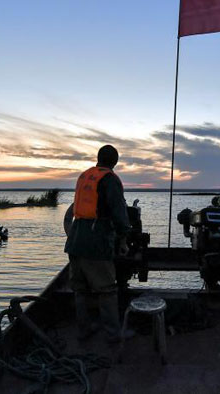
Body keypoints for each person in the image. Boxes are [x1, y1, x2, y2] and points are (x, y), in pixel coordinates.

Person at [63, 144, 131, 342]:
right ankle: (113, 334)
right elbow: (119, 211)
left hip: (75, 239)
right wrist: (124, 238)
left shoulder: (85, 175)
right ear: (115, 162)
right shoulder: (109, 179)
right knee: (107, 289)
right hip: (96, 240)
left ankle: (84, 330)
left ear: (98, 158)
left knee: (80, 289)